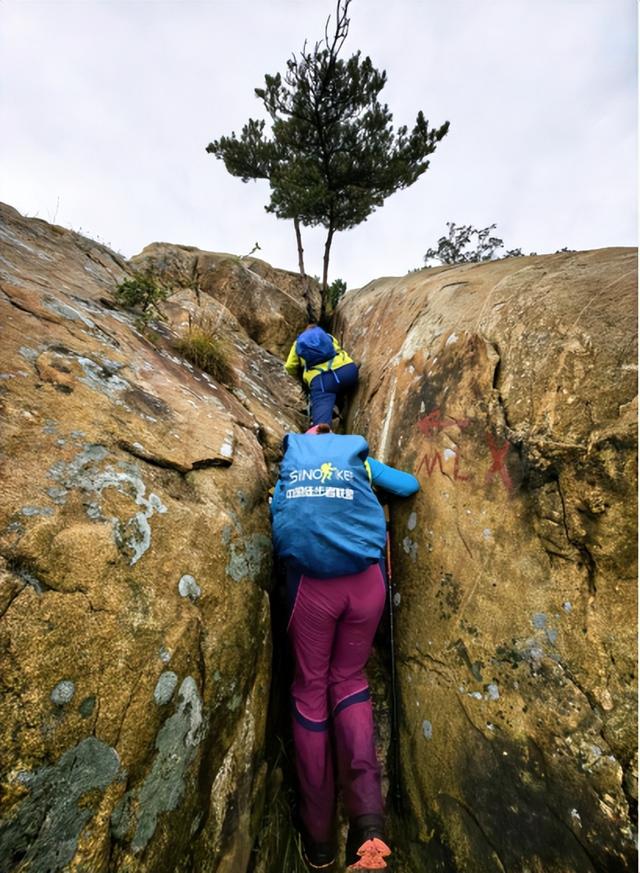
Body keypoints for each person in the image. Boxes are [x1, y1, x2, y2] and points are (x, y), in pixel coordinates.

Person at [271, 424, 420, 871]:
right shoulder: (361, 463)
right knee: (350, 680)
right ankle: (368, 824)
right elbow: (410, 485)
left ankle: (319, 840)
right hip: (365, 585)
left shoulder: (290, 469)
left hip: (312, 591)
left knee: (311, 690)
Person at [284, 324, 359, 426]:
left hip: (323, 383)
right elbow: (337, 349)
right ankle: (339, 406)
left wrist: (301, 378)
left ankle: (327, 425)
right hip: (349, 372)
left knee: (321, 425)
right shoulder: (327, 336)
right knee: (337, 389)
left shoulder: (298, 344)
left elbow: (289, 366)